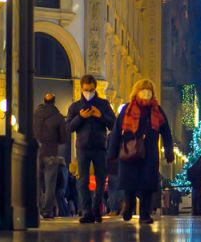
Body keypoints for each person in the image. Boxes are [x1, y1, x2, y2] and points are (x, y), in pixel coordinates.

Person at [107, 79, 173, 224]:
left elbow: (166, 132)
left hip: (149, 153)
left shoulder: (157, 110)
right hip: (130, 151)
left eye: (149, 91)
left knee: (147, 184)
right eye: (143, 90)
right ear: (137, 92)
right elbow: (117, 132)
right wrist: (112, 152)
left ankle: (144, 214)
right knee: (129, 183)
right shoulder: (127, 109)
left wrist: (169, 151)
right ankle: (129, 205)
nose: (146, 93)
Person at [66, 76, 117, 223]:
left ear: (95, 89)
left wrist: (100, 116)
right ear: (81, 89)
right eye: (86, 90)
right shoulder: (75, 107)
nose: (89, 92)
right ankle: (86, 211)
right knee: (83, 180)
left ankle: (96, 209)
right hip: (82, 147)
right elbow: (68, 127)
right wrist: (80, 117)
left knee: (101, 180)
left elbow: (113, 124)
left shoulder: (103, 104)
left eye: (91, 90)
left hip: (100, 147)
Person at [33, 93, 68, 219]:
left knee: (36, 183)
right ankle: (46, 211)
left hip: (36, 153)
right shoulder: (58, 117)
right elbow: (63, 138)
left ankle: (35, 209)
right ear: (54, 102)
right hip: (51, 153)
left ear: (43, 101)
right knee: (50, 185)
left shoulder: (35, 115)